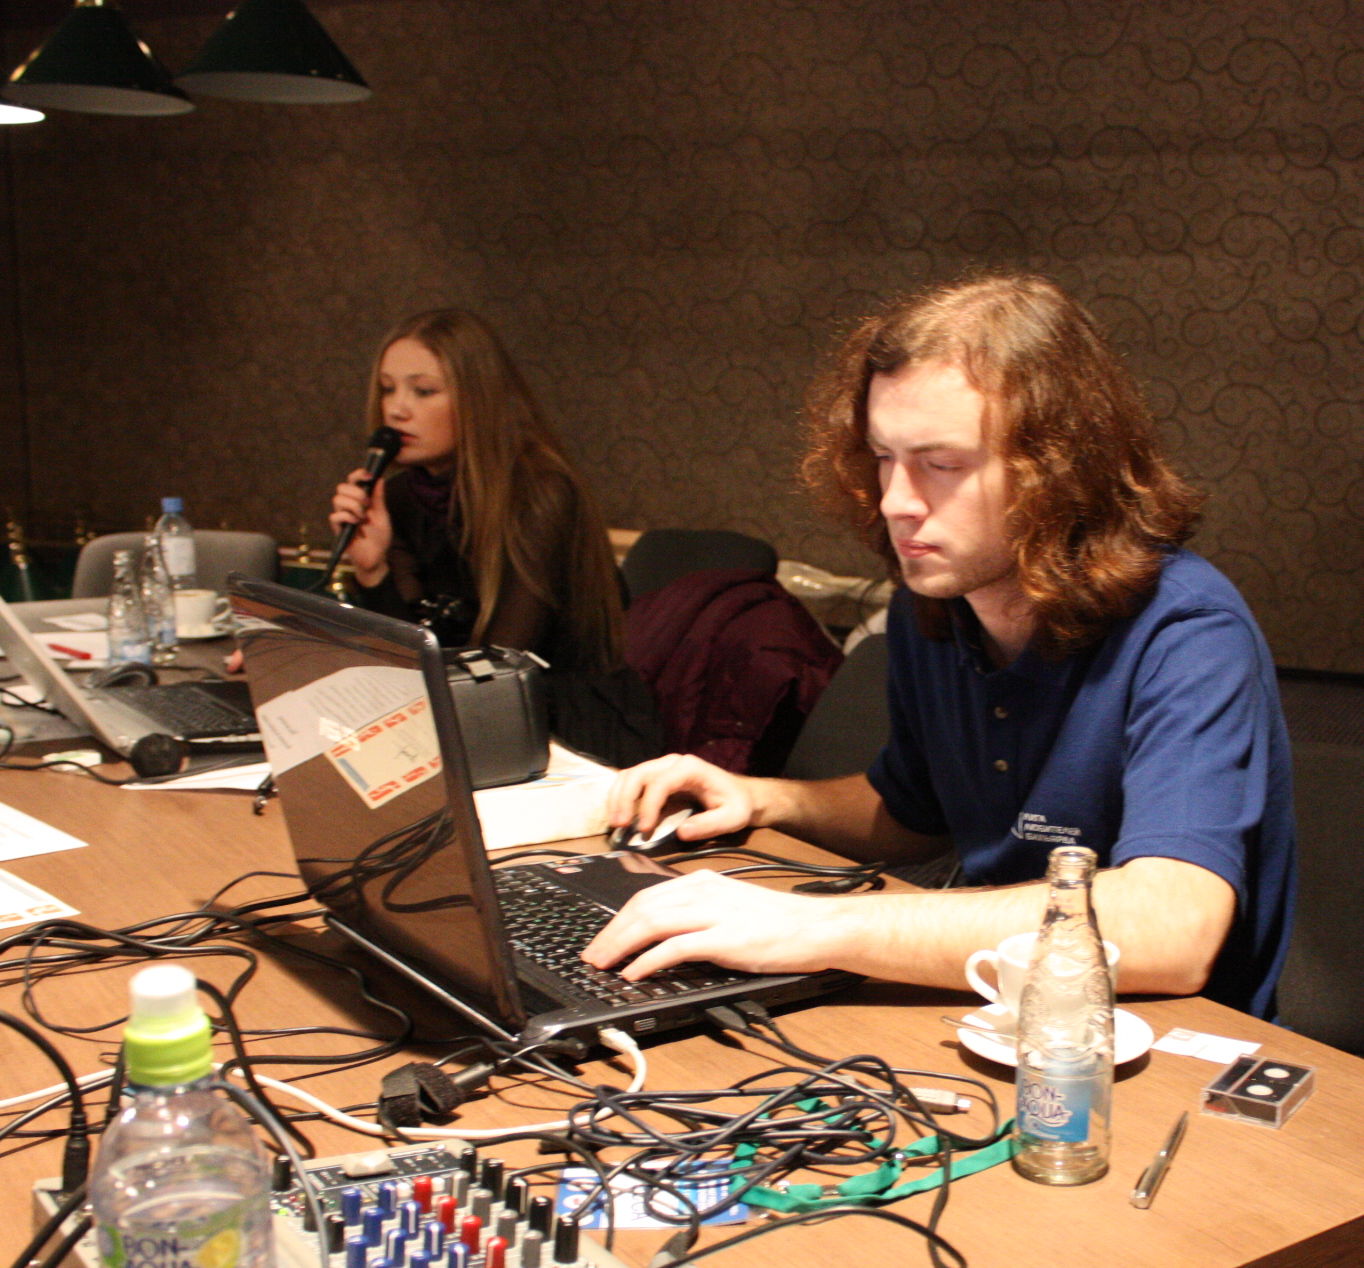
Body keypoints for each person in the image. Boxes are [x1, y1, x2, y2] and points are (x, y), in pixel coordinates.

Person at [581, 273, 1296, 1017]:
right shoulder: (939, 603)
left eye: (942, 464)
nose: (895, 500)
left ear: (1059, 473)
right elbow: (913, 813)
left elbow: (1172, 928)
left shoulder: (1186, 631)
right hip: (1005, 1004)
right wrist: (764, 798)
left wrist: (817, 926)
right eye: (884, 457)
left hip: (1167, 1034)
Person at [328, 309, 658, 765]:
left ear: (477, 399)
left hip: (568, 728)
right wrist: (373, 570)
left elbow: (498, 667)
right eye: (388, 388)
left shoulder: (540, 492)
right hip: (457, 715)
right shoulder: (398, 497)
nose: (396, 409)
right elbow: (406, 662)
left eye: (423, 391)